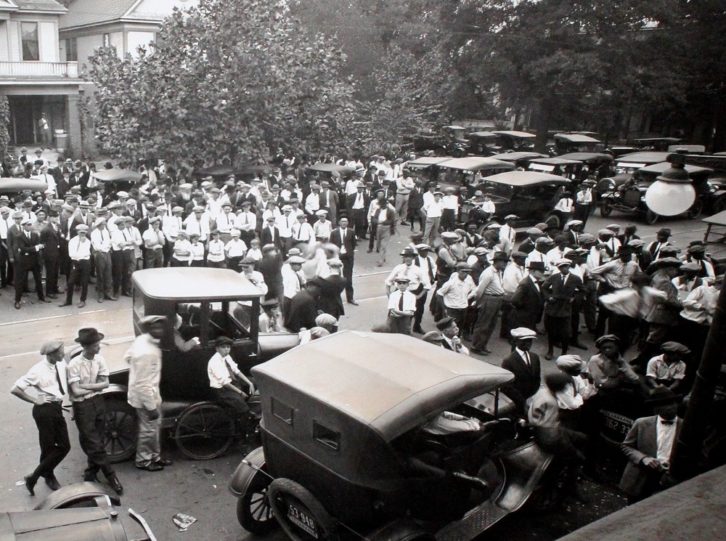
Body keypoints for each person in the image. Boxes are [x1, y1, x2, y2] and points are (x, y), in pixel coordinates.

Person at [67, 328, 123, 494]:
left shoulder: (99, 359)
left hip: (98, 402)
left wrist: (86, 386)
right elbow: (76, 392)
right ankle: (111, 475)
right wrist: (95, 387)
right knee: (93, 443)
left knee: (96, 439)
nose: (99, 347)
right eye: (96, 345)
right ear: (86, 346)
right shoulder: (74, 365)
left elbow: (105, 384)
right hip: (82, 406)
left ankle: (90, 474)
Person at [11, 340, 70, 495]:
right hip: (44, 411)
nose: (63, 354)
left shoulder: (61, 362)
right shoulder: (37, 370)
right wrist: (34, 399)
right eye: (60, 352)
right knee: (48, 447)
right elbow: (15, 389)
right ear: (50, 355)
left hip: (56, 408)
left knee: (65, 446)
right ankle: (48, 476)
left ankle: (34, 477)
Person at [125, 315, 171, 471]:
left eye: (160, 327)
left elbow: (127, 357)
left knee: (154, 427)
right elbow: (143, 384)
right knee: (148, 430)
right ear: (149, 329)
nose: (159, 330)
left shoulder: (142, 340)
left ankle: (155, 457)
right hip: (145, 397)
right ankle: (143, 460)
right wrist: (151, 407)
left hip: (150, 392)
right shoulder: (147, 352)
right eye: (155, 327)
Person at [620, 387, 681, 504]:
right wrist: (644, 458)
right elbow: (626, 446)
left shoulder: (685, 427)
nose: (671, 407)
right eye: (665, 404)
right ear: (657, 409)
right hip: (642, 477)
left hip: (668, 479)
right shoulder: (642, 423)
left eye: (673, 403)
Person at [207, 336, 256, 425]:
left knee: (254, 382)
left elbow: (236, 370)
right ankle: (245, 424)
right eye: (223, 347)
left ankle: (246, 406)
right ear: (217, 348)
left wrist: (249, 383)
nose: (226, 350)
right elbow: (225, 383)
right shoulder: (214, 362)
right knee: (242, 405)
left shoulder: (226, 357)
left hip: (231, 382)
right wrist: (240, 392)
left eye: (228, 347)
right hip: (222, 390)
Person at [542, 258, 582, 360]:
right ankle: (550, 351)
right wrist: (548, 297)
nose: (563, 269)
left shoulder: (575, 278)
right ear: (558, 268)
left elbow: (583, 290)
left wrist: (574, 298)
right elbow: (544, 288)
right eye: (561, 267)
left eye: (565, 266)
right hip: (553, 307)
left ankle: (564, 353)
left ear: (569, 267)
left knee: (565, 332)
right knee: (551, 331)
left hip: (566, 308)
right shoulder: (554, 277)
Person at [471, 251, 508, 355]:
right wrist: (479, 303)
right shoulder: (488, 273)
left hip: (497, 299)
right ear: (497, 261)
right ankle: (476, 346)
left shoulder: (499, 272)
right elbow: (479, 290)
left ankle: (483, 345)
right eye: (503, 262)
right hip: (489, 299)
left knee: (491, 325)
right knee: (483, 324)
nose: (505, 264)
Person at [501, 328, 541, 416]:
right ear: (515, 341)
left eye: (530, 341)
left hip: (530, 399)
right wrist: (522, 401)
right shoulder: (509, 361)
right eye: (525, 341)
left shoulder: (535, 357)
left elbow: (537, 379)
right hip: (516, 402)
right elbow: (507, 387)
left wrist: (531, 397)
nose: (528, 344)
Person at [14, 217, 51, 310]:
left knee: (38, 280)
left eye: (30, 224)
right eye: (28, 224)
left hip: (34, 261)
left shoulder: (35, 235)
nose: (30, 226)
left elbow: (38, 246)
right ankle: (17, 301)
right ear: (23, 226)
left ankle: (41, 297)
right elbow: (23, 249)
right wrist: (35, 248)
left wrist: (32, 249)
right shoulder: (19, 236)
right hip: (24, 262)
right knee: (20, 281)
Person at [60, 223, 92, 308]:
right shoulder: (73, 241)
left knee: (84, 282)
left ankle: (82, 300)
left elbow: (87, 253)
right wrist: (80, 256)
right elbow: (71, 254)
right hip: (75, 263)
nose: (83, 234)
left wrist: (80, 255)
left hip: (85, 263)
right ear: (77, 232)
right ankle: (68, 300)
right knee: (70, 282)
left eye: (84, 232)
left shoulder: (88, 241)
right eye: (81, 232)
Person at [329, 217, 358, 305]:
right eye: (342, 221)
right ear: (339, 222)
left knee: (348, 279)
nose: (344, 223)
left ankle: (350, 298)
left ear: (348, 223)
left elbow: (353, 244)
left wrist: (349, 251)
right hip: (338, 256)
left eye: (346, 221)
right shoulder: (334, 232)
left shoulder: (351, 232)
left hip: (348, 256)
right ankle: (335, 299)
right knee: (336, 278)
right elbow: (331, 245)